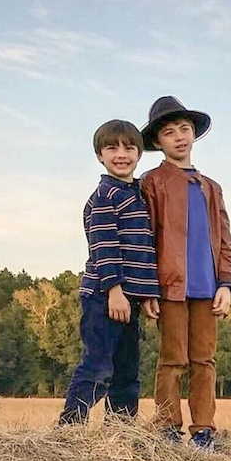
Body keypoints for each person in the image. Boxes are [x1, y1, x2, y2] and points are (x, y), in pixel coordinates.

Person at [139, 96, 231, 450]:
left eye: (184, 129)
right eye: (169, 132)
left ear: (193, 133)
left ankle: (204, 430)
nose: (179, 136)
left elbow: (224, 240)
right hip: (171, 287)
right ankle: (167, 427)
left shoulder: (211, 187)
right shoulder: (152, 182)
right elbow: (146, 238)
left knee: (204, 360)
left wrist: (226, 283)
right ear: (158, 141)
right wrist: (148, 289)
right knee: (173, 359)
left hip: (207, 289)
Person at [58, 120, 161, 425]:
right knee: (98, 367)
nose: (121, 154)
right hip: (103, 297)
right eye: (112, 148)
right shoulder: (106, 195)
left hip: (128, 300)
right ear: (99, 155)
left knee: (127, 371)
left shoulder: (139, 194)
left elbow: (142, 251)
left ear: (139, 154)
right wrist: (114, 291)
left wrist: (146, 294)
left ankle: (121, 432)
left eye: (129, 147)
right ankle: (69, 428)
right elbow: (104, 247)